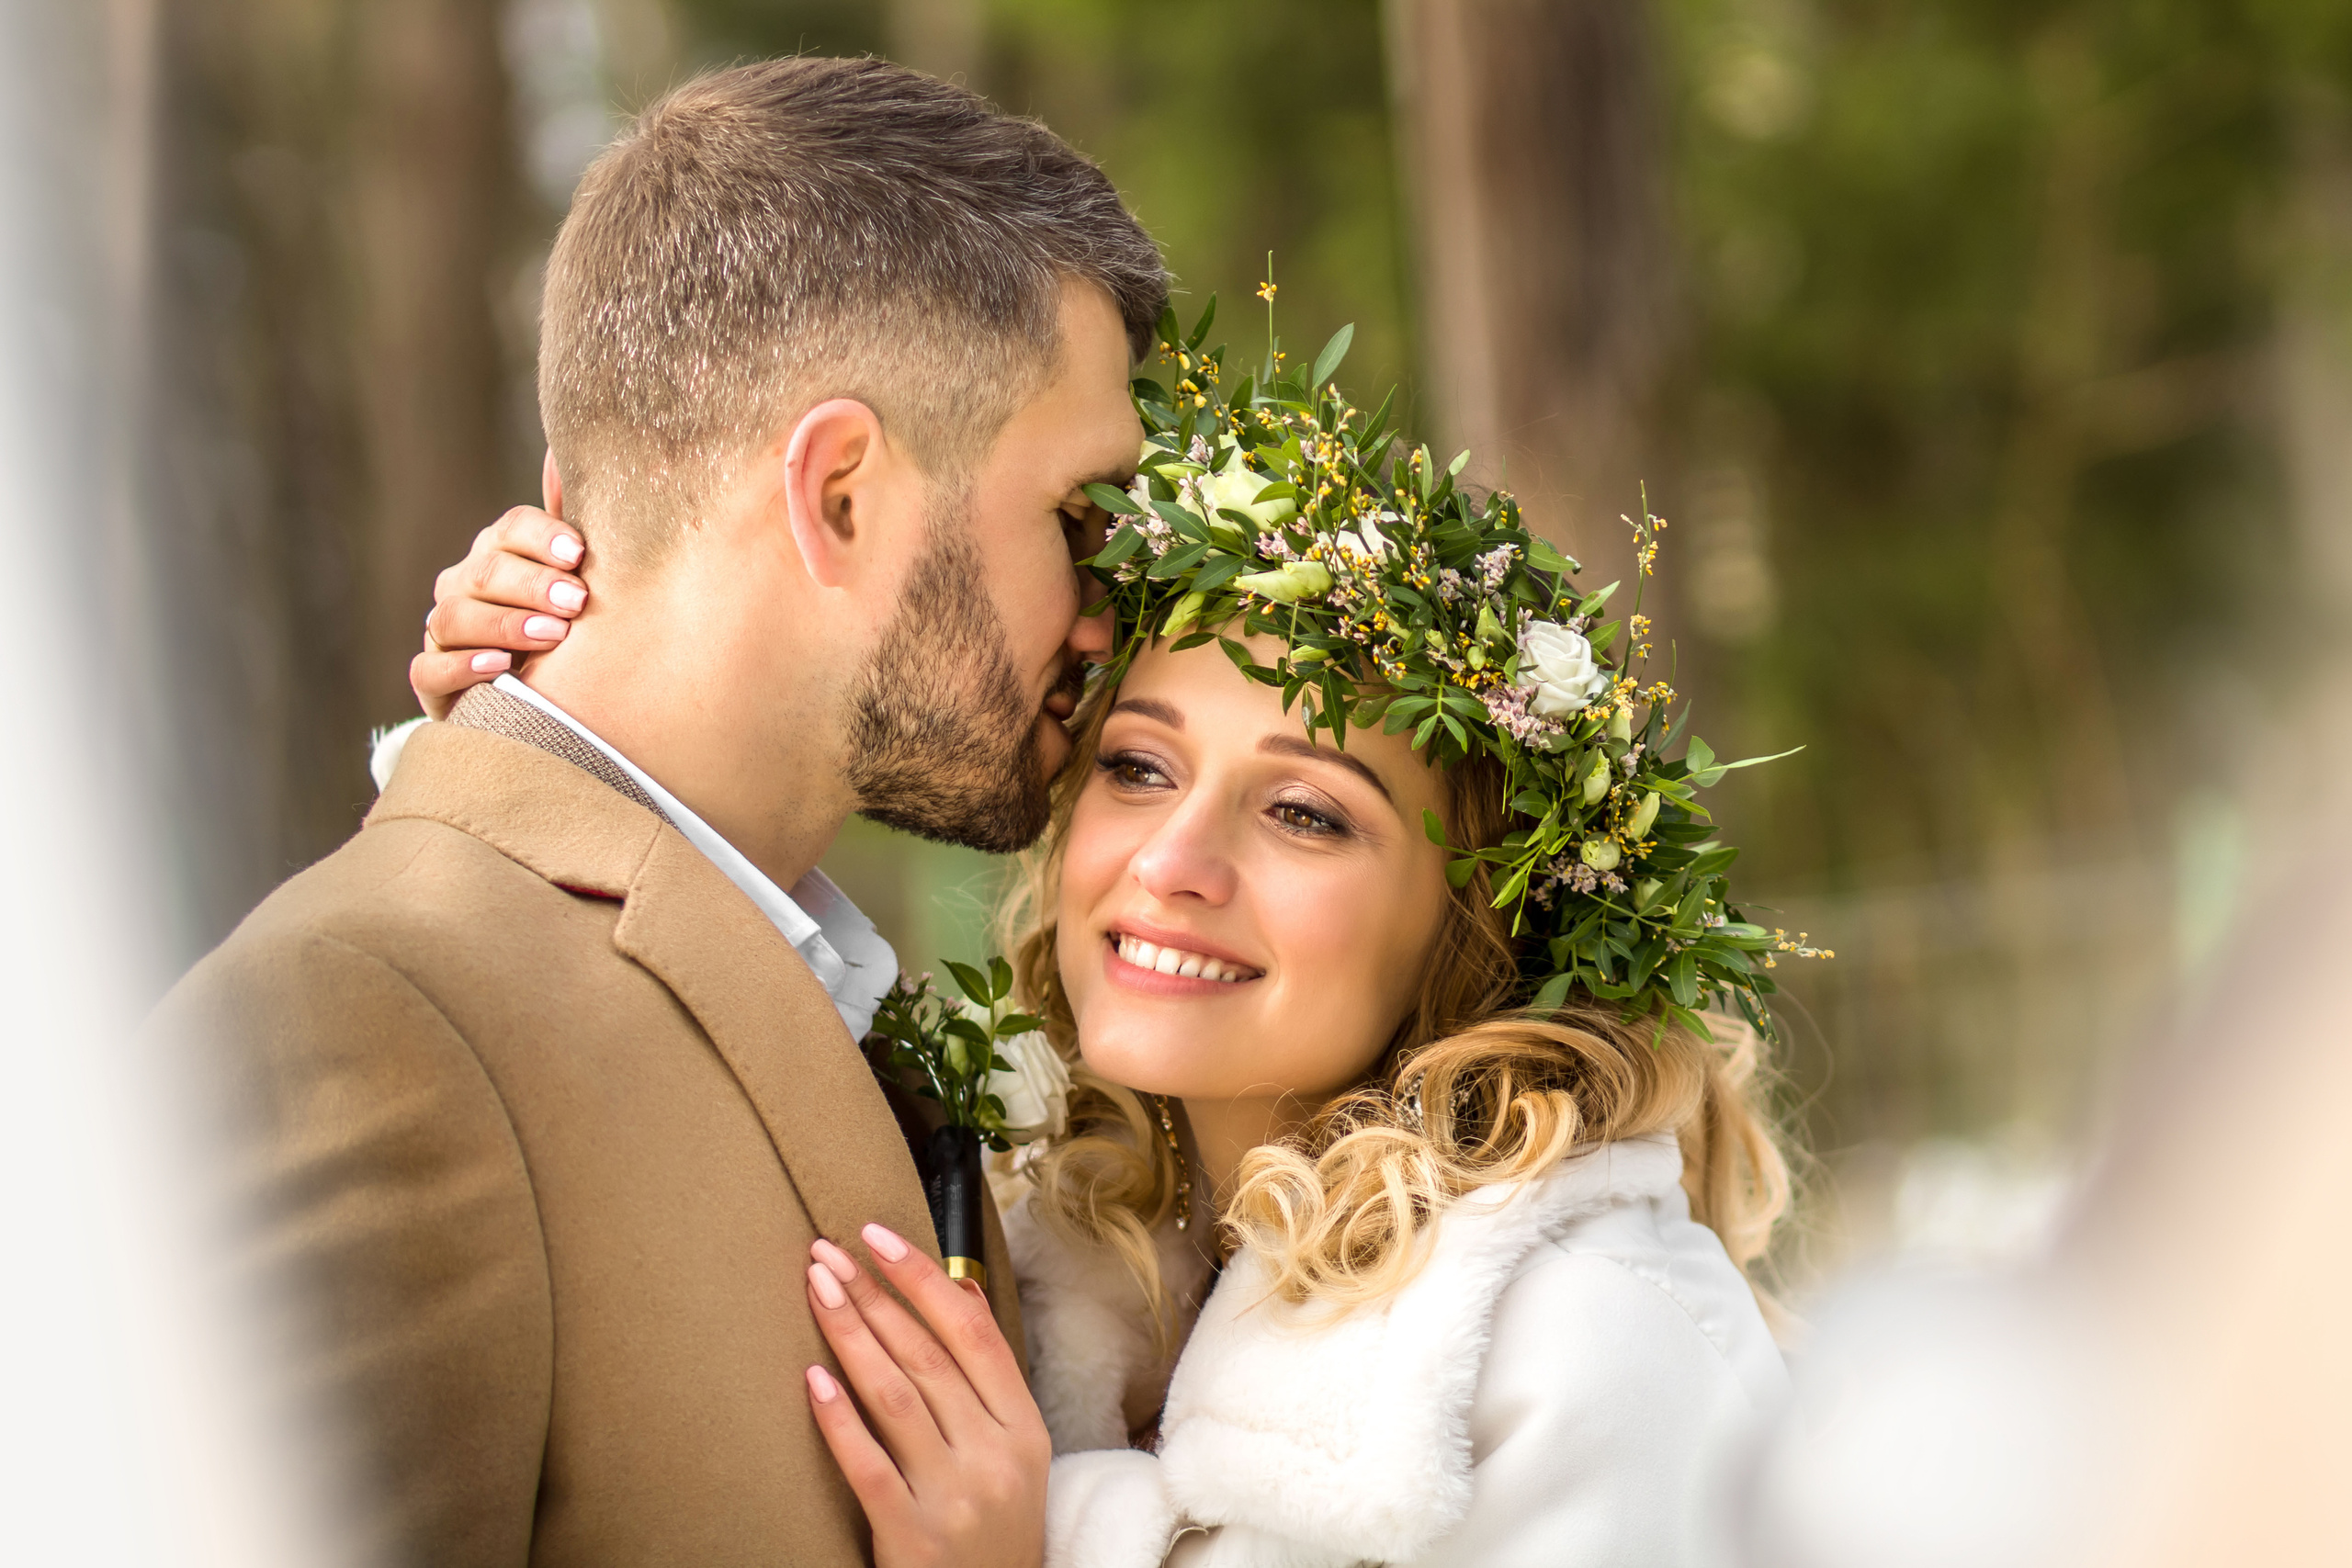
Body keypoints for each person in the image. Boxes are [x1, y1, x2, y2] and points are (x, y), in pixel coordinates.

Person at [421, 344, 1799, 1564]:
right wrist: (546, 734)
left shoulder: (1595, 1345)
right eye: (1139, 768)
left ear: (1476, 922)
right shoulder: (1035, 1247)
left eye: (1307, 812)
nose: (1173, 862)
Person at [152, 57, 1165, 1568]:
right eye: (1074, 517)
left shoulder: (810, 979)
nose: (1105, 619)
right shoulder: (354, 1023)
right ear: (837, 494)